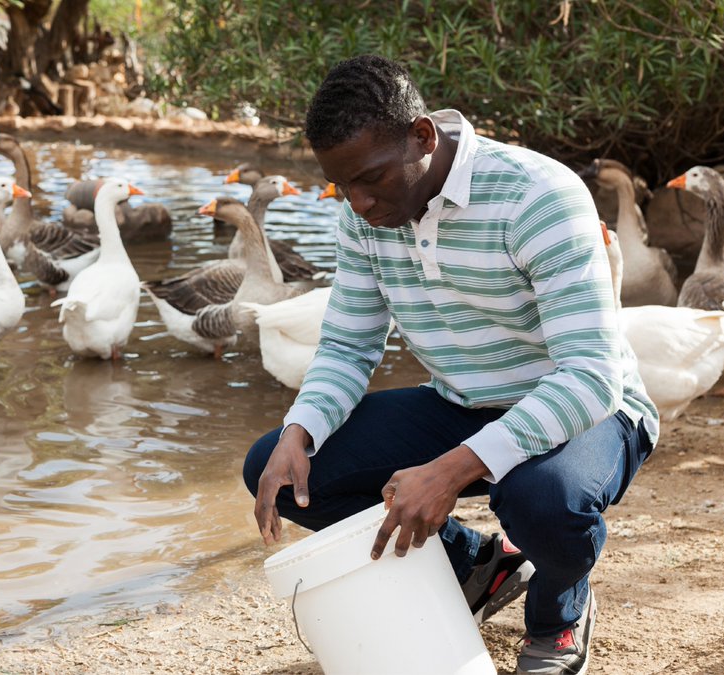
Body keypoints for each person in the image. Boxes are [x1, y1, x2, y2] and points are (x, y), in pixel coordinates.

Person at [244, 55, 657, 675]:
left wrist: (451, 471)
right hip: (463, 401)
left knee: (540, 497)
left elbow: (590, 377)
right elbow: (349, 346)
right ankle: (480, 568)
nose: (357, 202)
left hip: (590, 410)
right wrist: (298, 431)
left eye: (371, 179)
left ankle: (559, 616)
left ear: (423, 136)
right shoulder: (364, 214)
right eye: (340, 186)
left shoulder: (538, 195)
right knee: (279, 469)